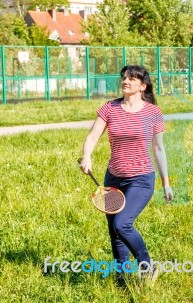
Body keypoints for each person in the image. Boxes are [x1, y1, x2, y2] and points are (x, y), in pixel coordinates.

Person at [79, 65, 173, 283]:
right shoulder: (109, 108)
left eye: (132, 78)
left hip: (141, 179)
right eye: (124, 77)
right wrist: (87, 156)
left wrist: (166, 182)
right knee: (114, 231)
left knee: (122, 224)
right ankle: (122, 278)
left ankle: (147, 266)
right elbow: (92, 137)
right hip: (113, 178)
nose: (125, 81)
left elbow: (159, 148)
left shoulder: (153, 112)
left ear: (143, 85)